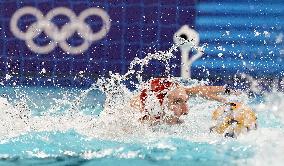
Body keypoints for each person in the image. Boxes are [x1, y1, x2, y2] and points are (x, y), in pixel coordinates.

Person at [130, 78, 257, 136]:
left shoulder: (170, 111)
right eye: (178, 102)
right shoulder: (132, 132)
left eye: (186, 101)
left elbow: (182, 91)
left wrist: (203, 90)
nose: (186, 110)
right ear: (155, 108)